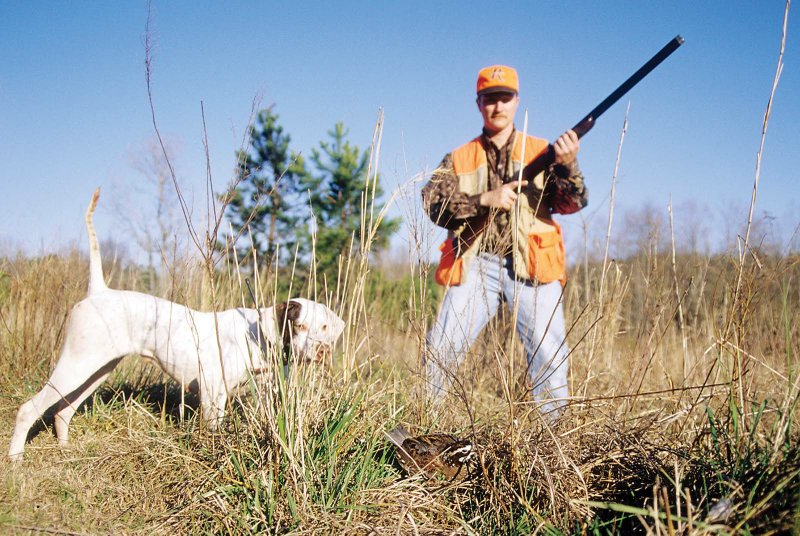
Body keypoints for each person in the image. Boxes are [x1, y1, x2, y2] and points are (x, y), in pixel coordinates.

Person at [421, 64, 587, 417]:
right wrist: (484, 199)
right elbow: (432, 204)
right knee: (442, 347)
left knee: (549, 354)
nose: (498, 106)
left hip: (532, 265)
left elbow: (571, 203)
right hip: (475, 264)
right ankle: (425, 424)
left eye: (505, 98)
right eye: (490, 99)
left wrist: (569, 164)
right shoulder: (457, 158)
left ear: (517, 101)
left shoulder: (545, 150)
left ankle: (554, 442)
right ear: (478, 104)